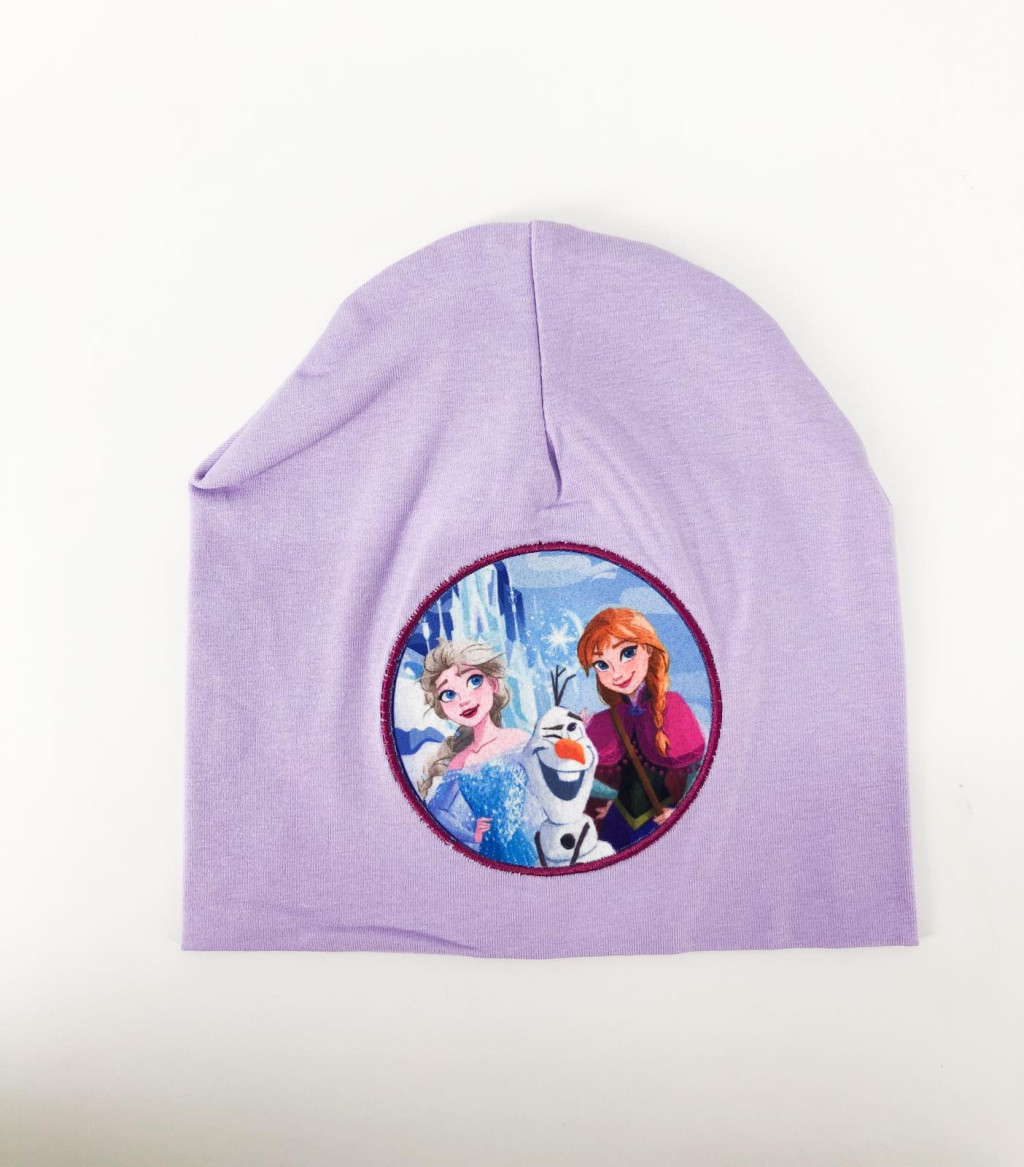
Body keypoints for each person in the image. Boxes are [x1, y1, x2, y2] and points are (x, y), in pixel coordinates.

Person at [576, 608, 705, 852]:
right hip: (616, 822)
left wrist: (681, 811)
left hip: (661, 821)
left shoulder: (673, 707)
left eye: (627, 653)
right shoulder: (606, 720)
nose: (617, 673)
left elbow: (697, 770)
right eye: (602, 664)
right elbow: (590, 779)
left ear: (648, 648)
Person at [417, 639, 537, 865]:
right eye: (448, 694)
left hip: (526, 845)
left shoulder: (519, 740)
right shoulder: (460, 762)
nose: (464, 700)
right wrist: (471, 833)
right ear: (441, 707)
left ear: (493, 683)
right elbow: (437, 812)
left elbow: (547, 789)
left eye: (474, 681)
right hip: (485, 853)